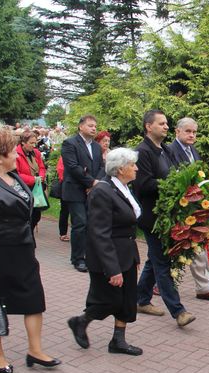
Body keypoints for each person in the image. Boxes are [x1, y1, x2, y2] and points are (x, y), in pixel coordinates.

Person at [0, 129, 60, 373]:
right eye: (10, 152)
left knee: (34, 300)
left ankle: (35, 350)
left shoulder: (14, 177)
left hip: (23, 251)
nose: (15, 156)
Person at [68, 148, 143, 356]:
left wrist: (134, 255)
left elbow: (128, 225)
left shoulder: (125, 188)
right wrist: (112, 269)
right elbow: (99, 233)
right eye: (132, 165)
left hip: (126, 252)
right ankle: (80, 322)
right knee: (108, 299)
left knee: (127, 300)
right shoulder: (102, 191)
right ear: (120, 169)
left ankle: (118, 340)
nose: (136, 168)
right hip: (108, 256)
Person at [133, 110, 195, 326]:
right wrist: (171, 185)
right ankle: (178, 311)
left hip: (167, 215)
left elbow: (178, 173)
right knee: (162, 263)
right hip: (152, 218)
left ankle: (140, 299)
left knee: (155, 259)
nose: (166, 126)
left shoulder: (166, 150)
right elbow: (143, 185)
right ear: (148, 126)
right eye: (161, 123)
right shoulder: (142, 152)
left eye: (167, 123)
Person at [167, 117, 209, 301]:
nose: (192, 135)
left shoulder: (194, 151)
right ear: (177, 132)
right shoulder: (169, 151)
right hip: (180, 208)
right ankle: (158, 284)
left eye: (194, 132)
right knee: (173, 249)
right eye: (188, 131)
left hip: (196, 207)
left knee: (198, 246)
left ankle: (203, 288)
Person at [61, 115, 105, 272]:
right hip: (75, 190)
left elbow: (101, 167)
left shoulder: (97, 147)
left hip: (92, 191)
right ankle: (78, 258)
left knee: (91, 224)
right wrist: (91, 182)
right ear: (81, 126)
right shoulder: (70, 143)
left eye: (95, 126)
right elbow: (73, 167)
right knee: (80, 223)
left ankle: (88, 255)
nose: (94, 128)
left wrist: (95, 183)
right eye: (90, 125)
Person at [15, 131, 47, 233]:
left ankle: (30, 231)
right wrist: (32, 179)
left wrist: (41, 176)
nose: (34, 145)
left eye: (35, 143)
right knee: (27, 213)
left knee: (36, 214)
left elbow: (42, 167)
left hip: (37, 187)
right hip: (24, 188)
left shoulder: (36, 153)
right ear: (23, 142)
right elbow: (17, 173)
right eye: (31, 143)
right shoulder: (16, 154)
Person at [55, 155, 70, 242]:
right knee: (65, 210)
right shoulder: (64, 156)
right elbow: (61, 172)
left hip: (78, 188)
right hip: (66, 187)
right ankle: (63, 233)